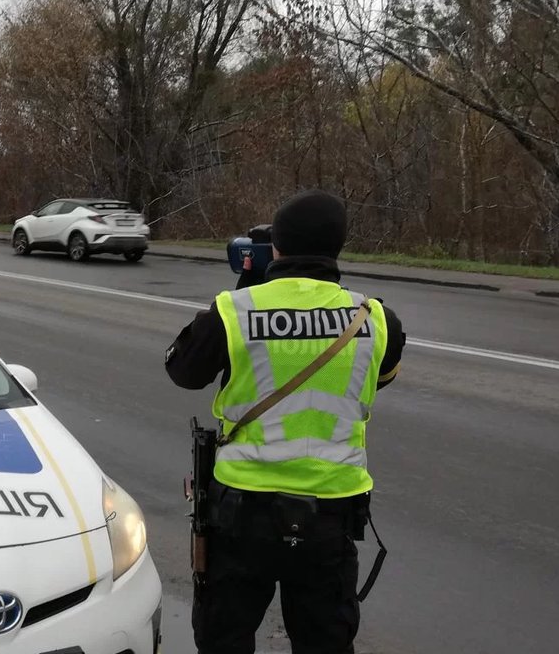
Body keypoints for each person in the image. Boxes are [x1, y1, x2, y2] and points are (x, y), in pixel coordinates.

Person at [165, 189, 406, 654]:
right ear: (338, 247)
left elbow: (183, 372)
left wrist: (247, 291)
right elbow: (383, 377)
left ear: (274, 247)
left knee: (224, 640)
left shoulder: (234, 312)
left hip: (241, 515)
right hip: (330, 517)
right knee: (325, 643)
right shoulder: (376, 319)